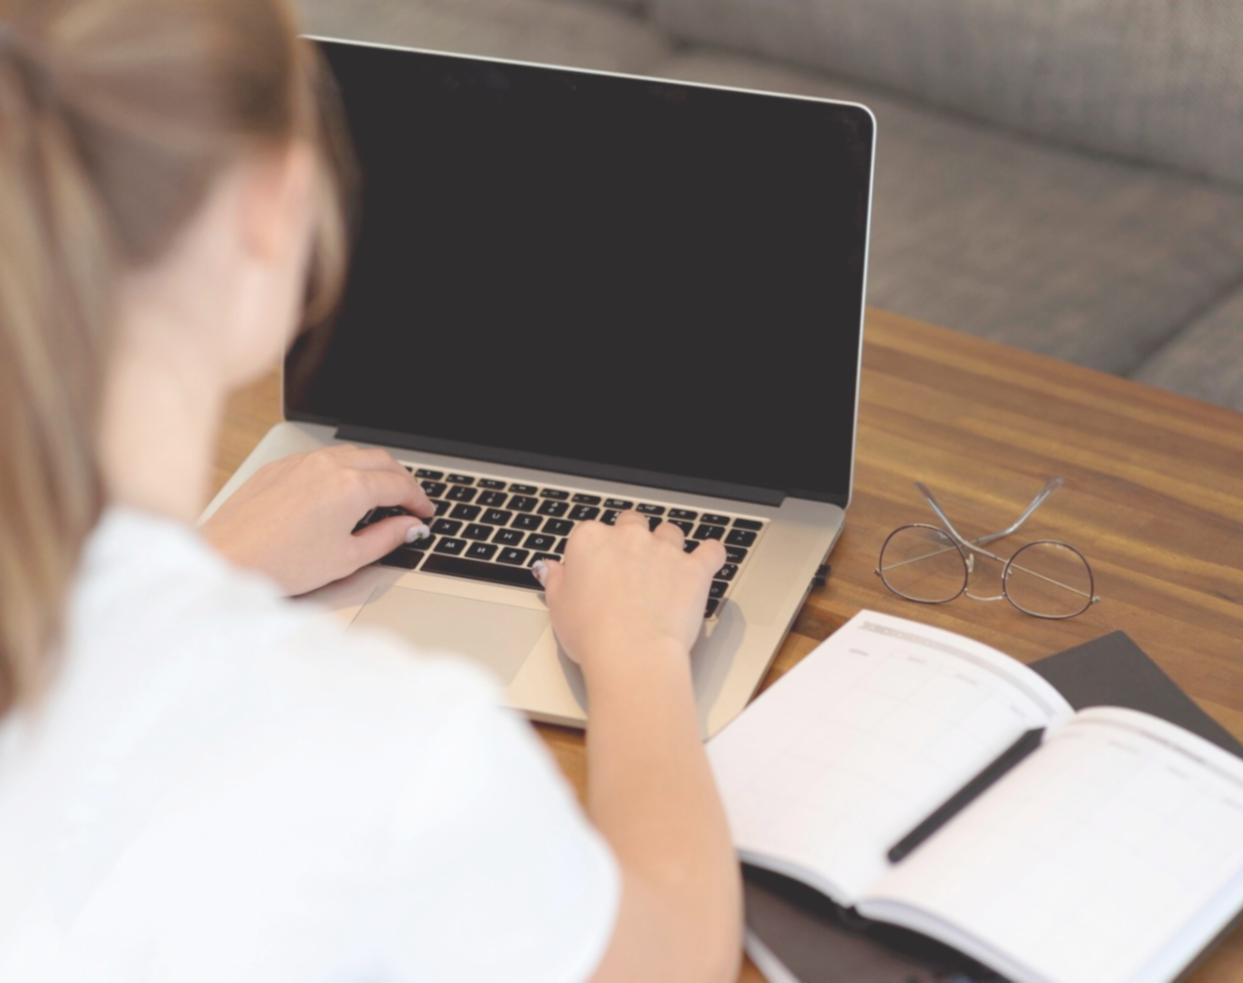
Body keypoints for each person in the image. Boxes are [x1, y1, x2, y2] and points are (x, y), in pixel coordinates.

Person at [0, 0, 742, 979]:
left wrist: (210, 566)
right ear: (273, 208)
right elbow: (670, 958)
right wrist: (639, 652)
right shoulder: (397, 757)